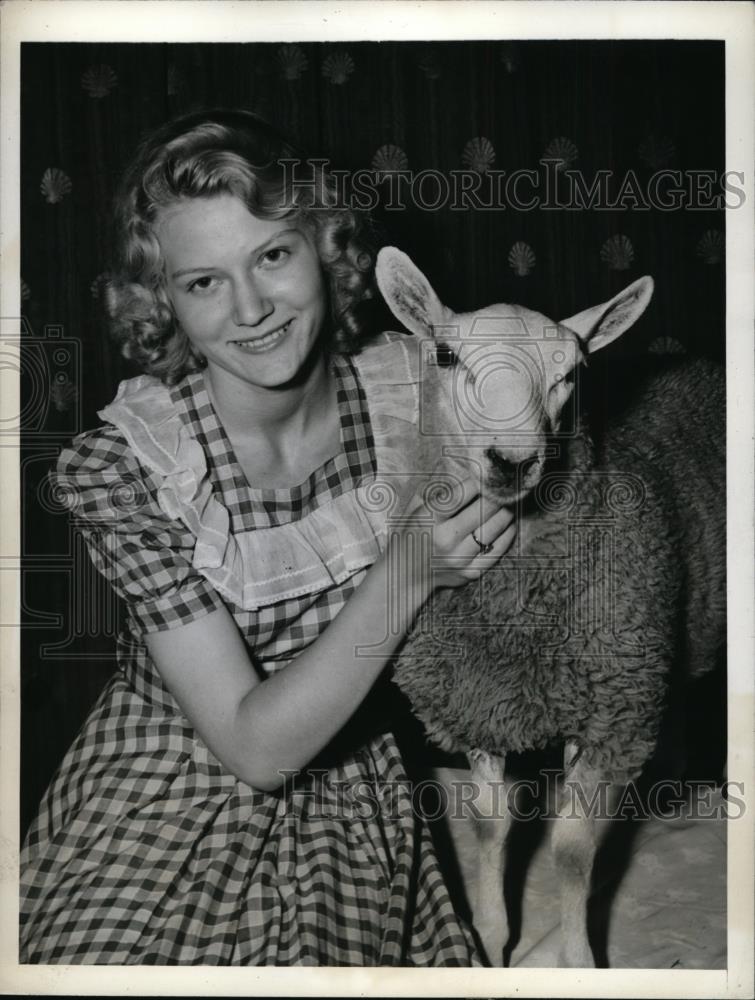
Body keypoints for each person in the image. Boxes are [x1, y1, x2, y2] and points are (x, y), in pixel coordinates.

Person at [20, 108, 516, 965]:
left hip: (351, 788)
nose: (249, 309)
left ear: (326, 249)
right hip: (160, 786)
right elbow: (253, 748)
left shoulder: (418, 396)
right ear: (160, 300)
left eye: (272, 256)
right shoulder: (132, 465)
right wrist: (406, 572)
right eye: (203, 281)